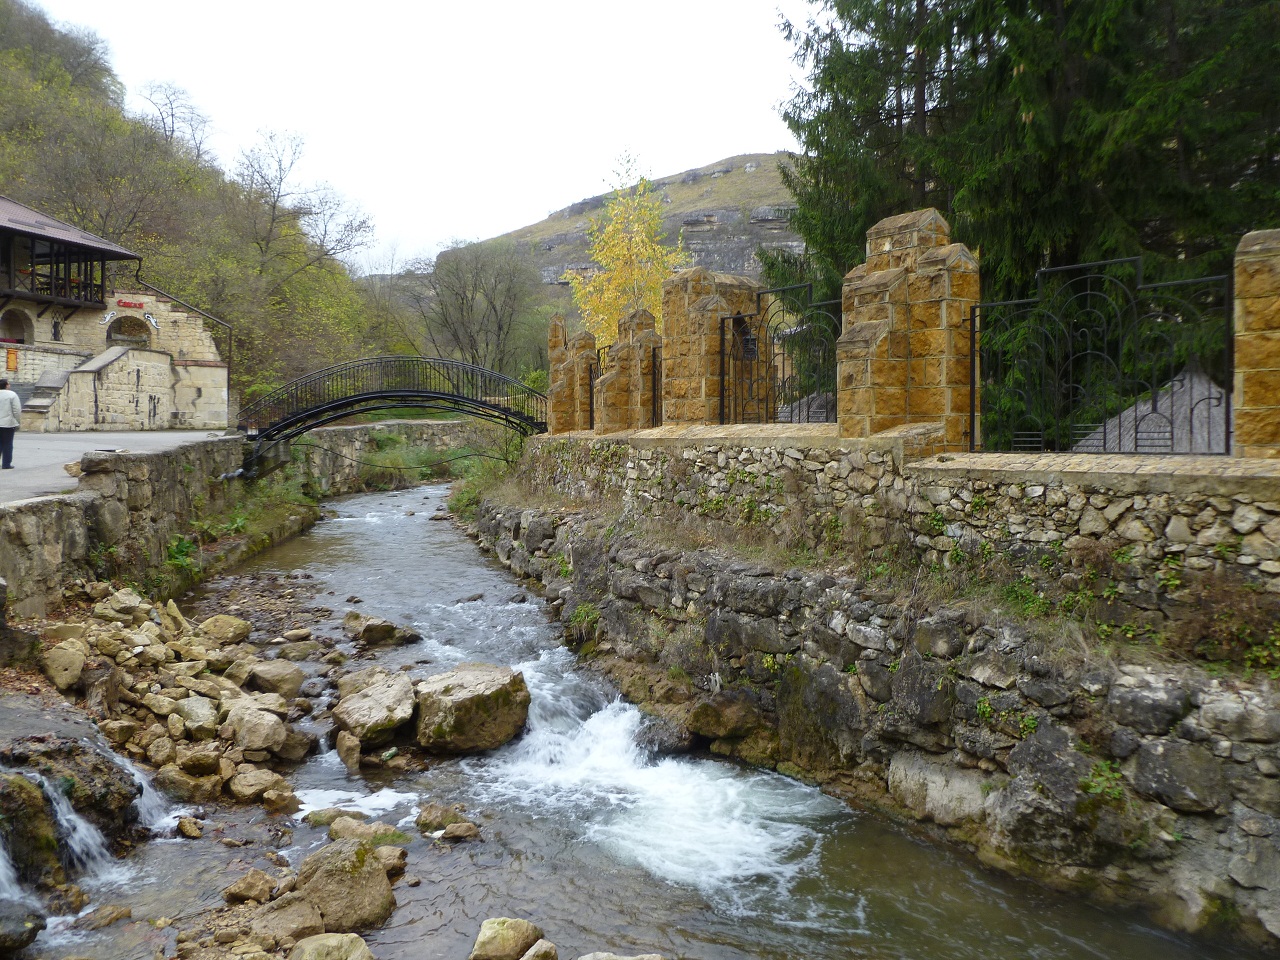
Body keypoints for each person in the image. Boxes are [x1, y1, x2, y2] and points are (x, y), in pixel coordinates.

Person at [0, 378, 20, 469]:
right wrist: (17, 420)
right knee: (7, 443)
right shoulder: (12, 395)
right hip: (8, 423)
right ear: (6, 385)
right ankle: (6, 463)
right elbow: (16, 410)